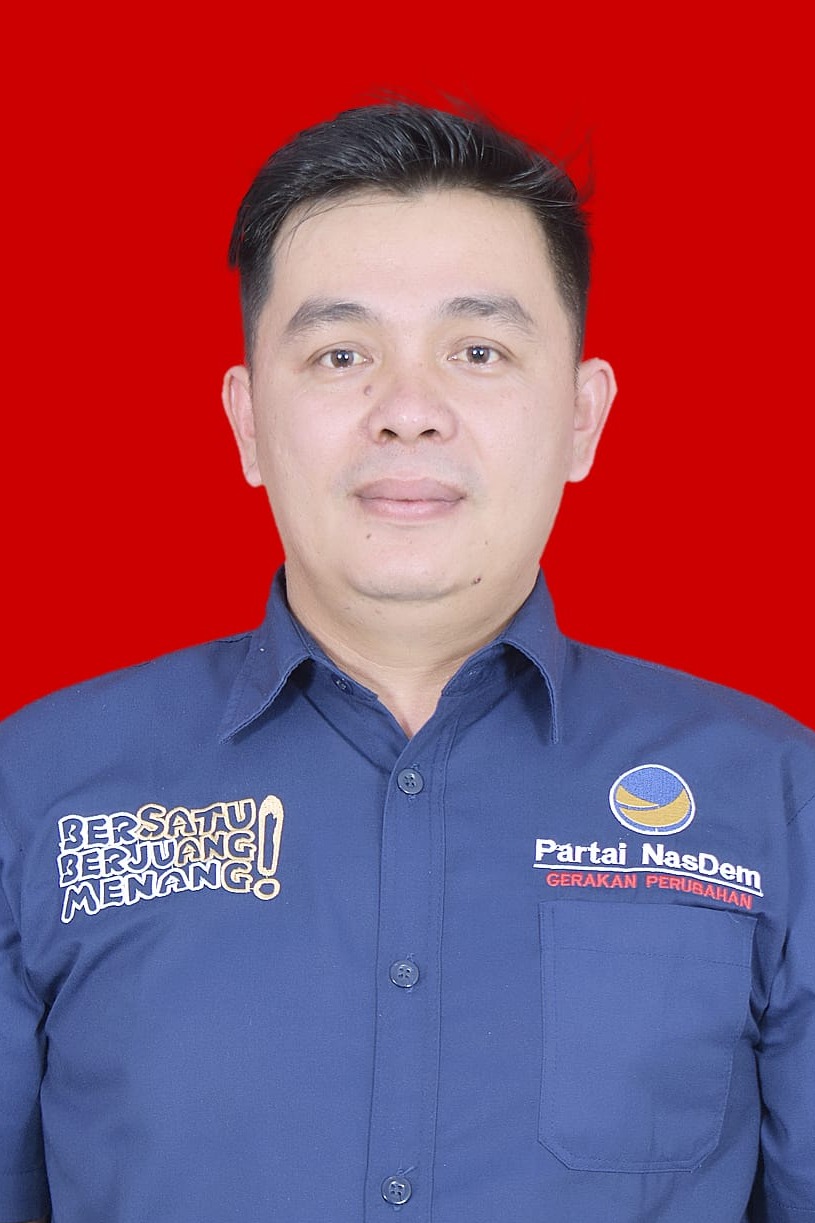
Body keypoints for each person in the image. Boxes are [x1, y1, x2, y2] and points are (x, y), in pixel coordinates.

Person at [0, 102, 812, 1223]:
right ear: (247, 420)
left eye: (478, 351)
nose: (409, 413)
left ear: (582, 417)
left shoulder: (770, 797)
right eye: (341, 355)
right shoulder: (36, 788)